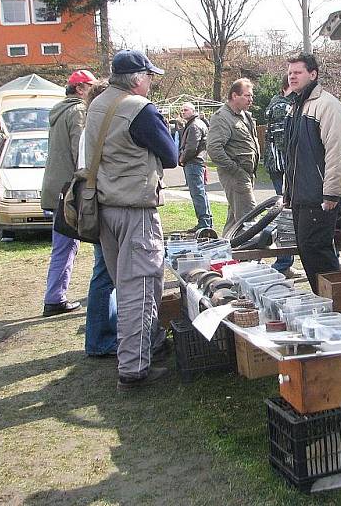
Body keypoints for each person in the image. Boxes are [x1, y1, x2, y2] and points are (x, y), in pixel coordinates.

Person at [84, 49, 177, 390]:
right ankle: (134, 369)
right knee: (138, 289)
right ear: (137, 79)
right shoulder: (138, 108)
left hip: (106, 207)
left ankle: (147, 349)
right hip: (134, 209)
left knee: (129, 287)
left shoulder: (97, 104)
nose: (151, 82)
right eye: (150, 76)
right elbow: (170, 155)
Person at [284, 53, 341, 294]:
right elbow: (293, 154)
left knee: (319, 255)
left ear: (313, 75)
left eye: (298, 72)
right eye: (290, 72)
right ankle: (323, 304)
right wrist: (288, 192)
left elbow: (338, 152)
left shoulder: (327, 105)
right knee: (307, 252)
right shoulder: (296, 106)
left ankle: (338, 309)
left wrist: (332, 193)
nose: (292, 76)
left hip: (320, 198)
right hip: (301, 197)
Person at [40, 70, 96, 317]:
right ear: (81, 88)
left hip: (55, 188)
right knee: (65, 246)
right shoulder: (77, 112)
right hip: (68, 191)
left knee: (63, 245)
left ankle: (55, 296)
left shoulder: (59, 111)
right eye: (91, 87)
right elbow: (80, 153)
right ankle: (54, 298)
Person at [80, 79, 118, 359]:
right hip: (102, 205)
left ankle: (104, 334)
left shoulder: (89, 129)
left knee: (104, 273)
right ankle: (99, 339)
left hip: (98, 203)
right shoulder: (95, 129)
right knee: (104, 274)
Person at [206, 78, 259, 236]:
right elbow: (214, 149)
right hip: (236, 176)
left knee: (235, 220)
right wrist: (235, 170)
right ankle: (254, 258)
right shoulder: (222, 117)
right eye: (247, 96)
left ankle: (224, 254)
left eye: (251, 96)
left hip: (247, 175)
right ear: (234, 96)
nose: (251, 100)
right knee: (249, 220)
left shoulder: (245, 116)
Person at [263, 76, 296, 278]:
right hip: (282, 165)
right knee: (285, 214)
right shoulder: (281, 107)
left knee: (286, 212)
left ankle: (285, 262)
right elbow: (285, 142)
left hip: (280, 164)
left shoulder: (278, 103)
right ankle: (283, 262)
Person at [178, 103, 212, 231]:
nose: (183, 112)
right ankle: (206, 221)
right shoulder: (197, 124)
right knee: (201, 193)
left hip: (194, 162)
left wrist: (182, 159)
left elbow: (191, 147)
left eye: (185, 110)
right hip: (196, 162)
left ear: (193, 111)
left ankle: (204, 223)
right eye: (182, 110)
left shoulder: (194, 125)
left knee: (197, 193)